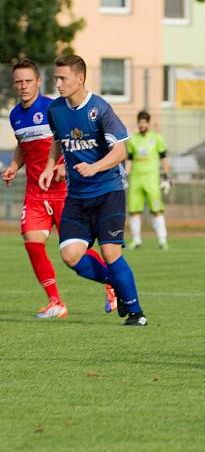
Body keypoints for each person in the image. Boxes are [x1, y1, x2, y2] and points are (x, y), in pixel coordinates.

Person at [39, 54, 148, 326]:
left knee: (111, 253)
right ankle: (117, 286)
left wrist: (95, 166)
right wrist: (50, 166)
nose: (59, 83)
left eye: (63, 78)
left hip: (108, 192)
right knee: (70, 254)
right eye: (56, 78)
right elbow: (57, 140)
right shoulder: (56, 110)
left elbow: (120, 151)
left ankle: (136, 313)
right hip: (77, 196)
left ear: (80, 78)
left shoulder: (99, 109)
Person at [3, 59, 116, 318]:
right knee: (32, 242)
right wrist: (13, 166)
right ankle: (56, 302)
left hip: (65, 192)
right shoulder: (15, 115)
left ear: (38, 82)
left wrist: (65, 167)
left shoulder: (55, 108)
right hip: (35, 192)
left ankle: (112, 282)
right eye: (18, 81)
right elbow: (24, 145)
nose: (23, 86)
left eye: (28, 81)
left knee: (77, 250)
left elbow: (74, 140)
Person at [125, 110, 170, 250]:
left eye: (144, 122)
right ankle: (136, 240)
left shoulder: (157, 138)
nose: (142, 125)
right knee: (133, 210)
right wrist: (125, 176)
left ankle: (162, 240)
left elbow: (164, 158)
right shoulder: (132, 139)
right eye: (140, 122)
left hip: (151, 180)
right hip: (136, 180)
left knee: (156, 210)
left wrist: (167, 176)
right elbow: (130, 160)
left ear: (148, 123)